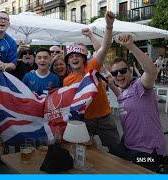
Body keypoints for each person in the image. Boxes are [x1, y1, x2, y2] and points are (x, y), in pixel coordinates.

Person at [63, 11, 120, 154]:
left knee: (117, 149)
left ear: (83, 59)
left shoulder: (92, 67)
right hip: (84, 121)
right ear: (68, 62)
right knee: (85, 152)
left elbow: (104, 48)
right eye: (71, 57)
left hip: (104, 117)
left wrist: (109, 26)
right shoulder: (66, 80)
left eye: (77, 56)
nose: (74, 58)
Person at [109, 34, 166, 172]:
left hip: (149, 153)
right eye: (115, 73)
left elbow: (152, 72)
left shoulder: (139, 86)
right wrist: (111, 85)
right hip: (128, 145)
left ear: (130, 71)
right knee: (109, 162)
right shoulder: (123, 93)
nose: (119, 75)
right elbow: (122, 96)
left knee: (133, 170)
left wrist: (131, 46)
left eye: (122, 71)